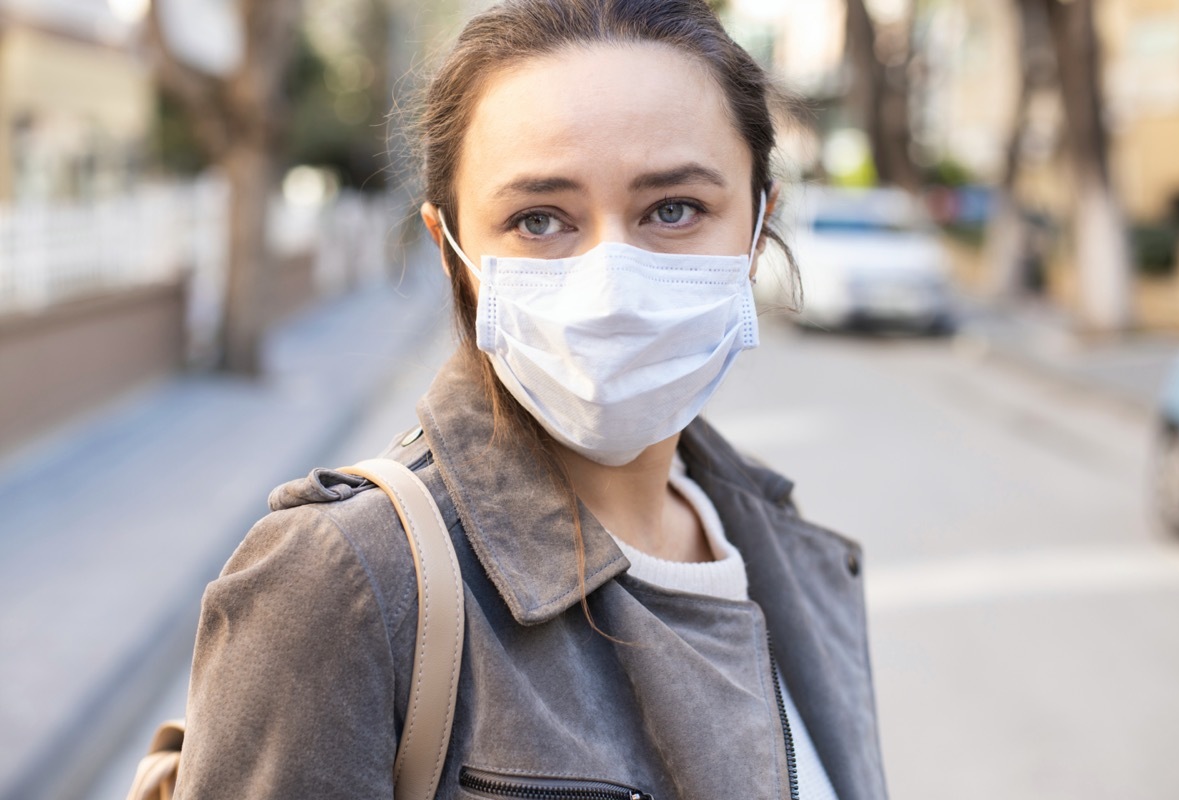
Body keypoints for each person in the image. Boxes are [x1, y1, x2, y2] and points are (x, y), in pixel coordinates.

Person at [175, 1, 888, 798]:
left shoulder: (785, 550)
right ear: (452, 253)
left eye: (674, 209)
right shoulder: (348, 585)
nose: (611, 285)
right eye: (539, 219)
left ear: (757, 229)